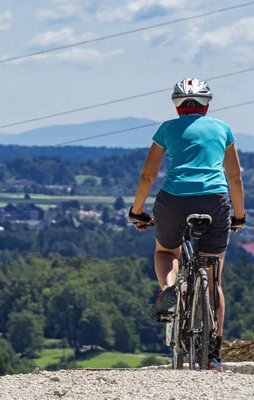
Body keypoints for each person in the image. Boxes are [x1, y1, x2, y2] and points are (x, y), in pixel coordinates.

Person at [127, 78, 246, 371]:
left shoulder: (167, 129)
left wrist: (137, 210)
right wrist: (239, 217)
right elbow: (235, 177)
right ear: (206, 105)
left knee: (166, 252)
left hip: (174, 200)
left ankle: (169, 288)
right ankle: (214, 355)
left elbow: (147, 175)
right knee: (214, 277)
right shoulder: (222, 129)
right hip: (215, 201)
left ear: (176, 106)